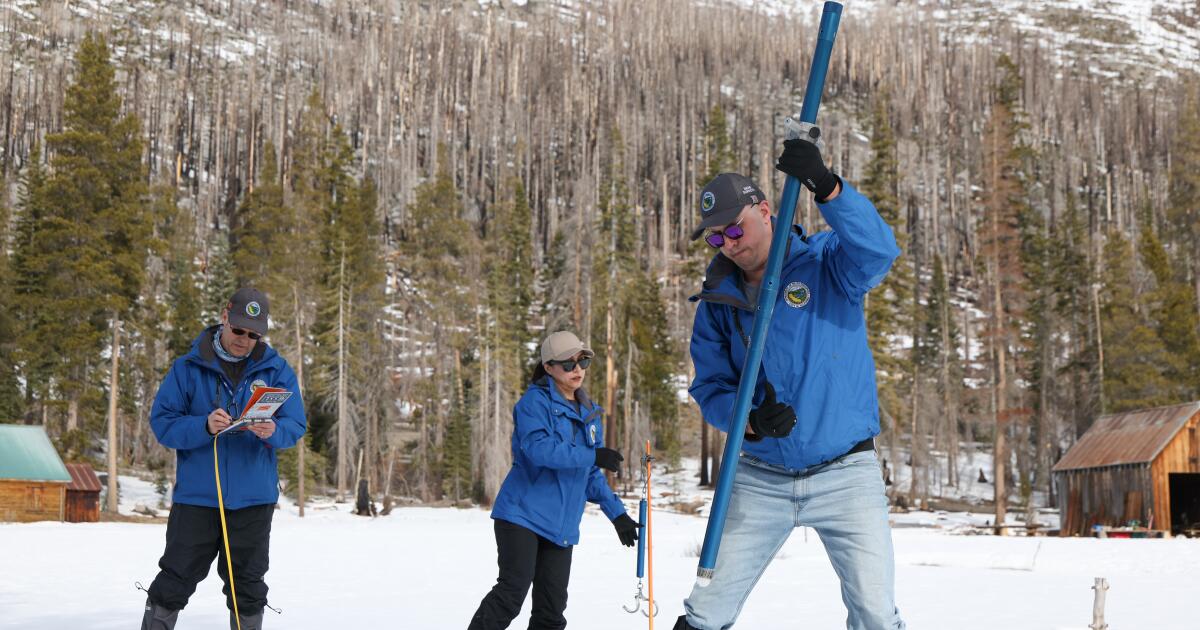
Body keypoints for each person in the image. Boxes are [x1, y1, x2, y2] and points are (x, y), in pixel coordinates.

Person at [674, 130, 905, 629]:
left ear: (764, 211)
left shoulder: (827, 264)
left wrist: (827, 186)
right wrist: (750, 421)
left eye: (734, 229)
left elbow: (879, 252)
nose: (728, 244)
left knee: (875, 613)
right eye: (715, 238)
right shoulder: (717, 301)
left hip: (845, 471)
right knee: (706, 609)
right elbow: (710, 388)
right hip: (761, 474)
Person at [141, 288, 306, 630]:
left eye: (253, 334)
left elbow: (296, 425)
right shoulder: (187, 368)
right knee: (174, 580)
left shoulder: (277, 370)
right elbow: (163, 424)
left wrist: (273, 430)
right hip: (197, 499)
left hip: (253, 500)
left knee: (248, 588)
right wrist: (202, 425)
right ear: (224, 317)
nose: (244, 340)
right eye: (238, 330)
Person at [469, 331, 640, 630]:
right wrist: (592, 455)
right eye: (568, 364)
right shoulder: (533, 403)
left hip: (560, 526)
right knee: (511, 593)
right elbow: (540, 450)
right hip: (522, 516)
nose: (577, 370)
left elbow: (588, 473)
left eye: (582, 362)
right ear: (548, 367)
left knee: (550, 612)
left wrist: (618, 514)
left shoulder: (589, 413)